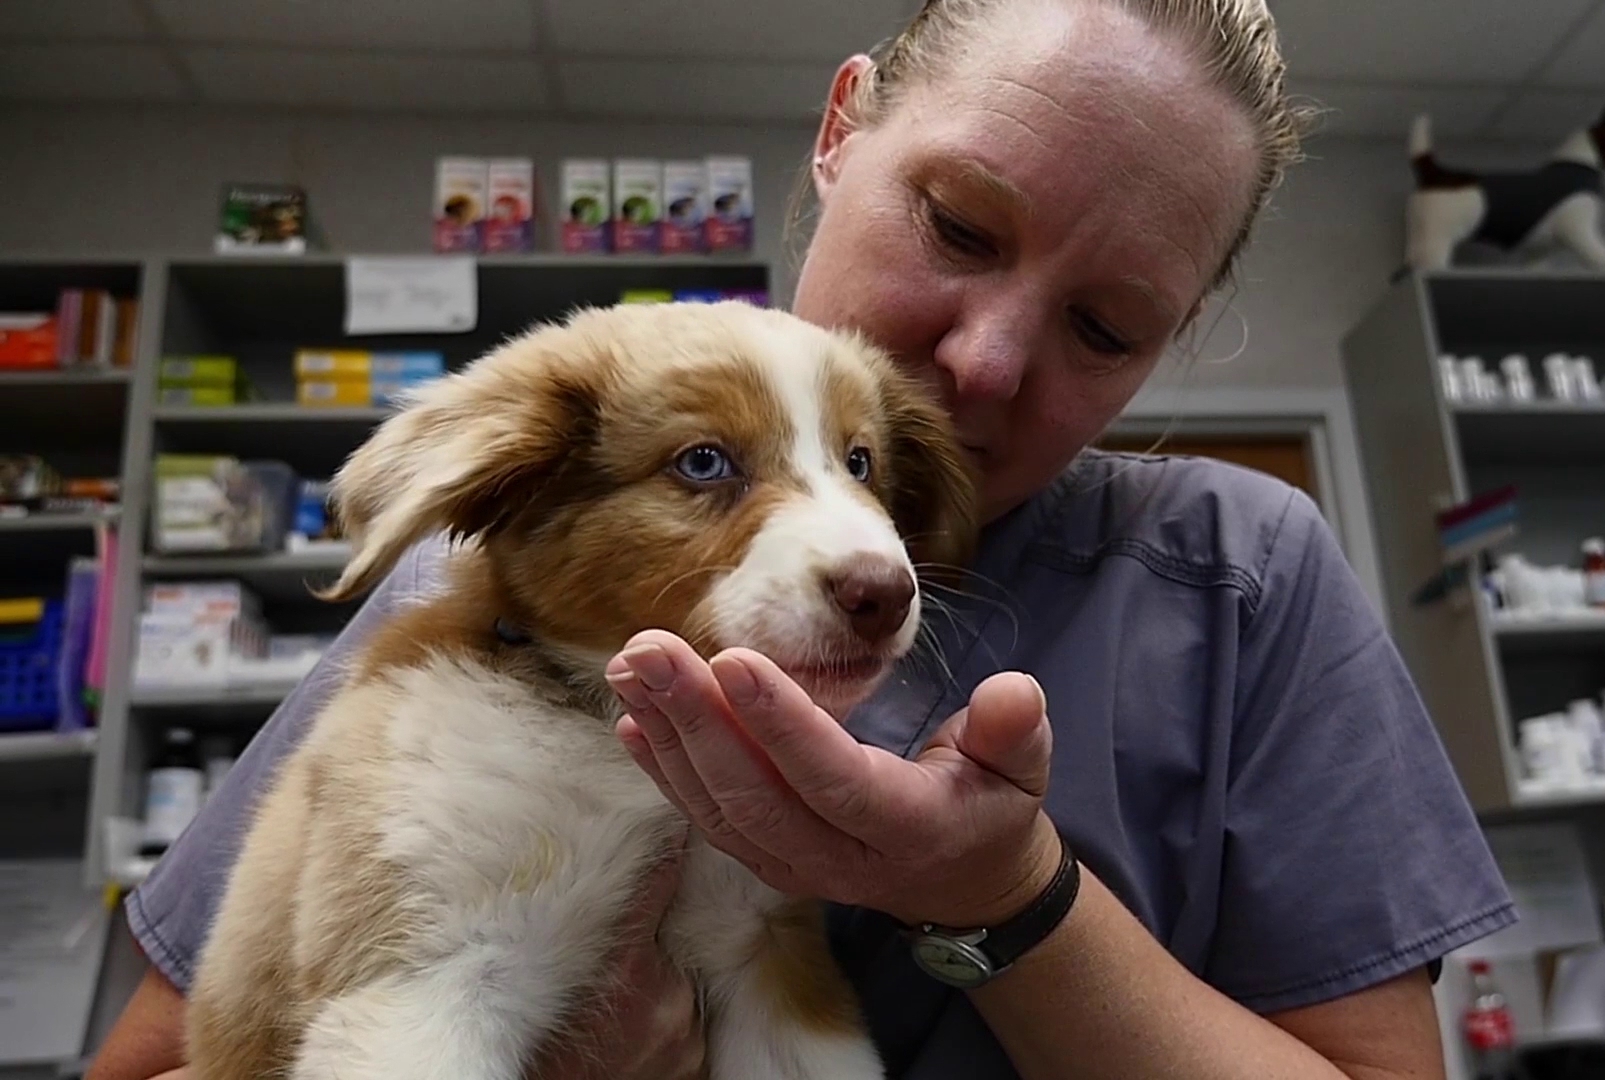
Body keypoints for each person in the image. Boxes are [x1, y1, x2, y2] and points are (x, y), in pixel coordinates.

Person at [87, 2, 1516, 1078]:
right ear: (842, 131)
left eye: (1105, 326)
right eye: (958, 227)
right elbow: (173, 1047)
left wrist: (1004, 901)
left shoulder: (1241, 574)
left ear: (1177, 337)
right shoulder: (489, 579)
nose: (987, 363)